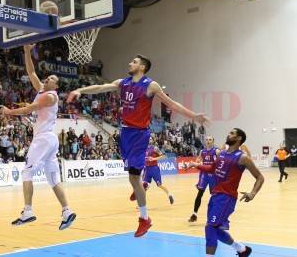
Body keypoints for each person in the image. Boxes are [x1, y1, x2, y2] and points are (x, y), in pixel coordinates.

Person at [68, 54, 209, 237]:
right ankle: (140, 192)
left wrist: (194, 116)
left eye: (134, 62)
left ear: (142, 67)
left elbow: (171, 104)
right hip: (125, 133)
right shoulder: (124, 82)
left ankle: (144, 218)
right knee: (132, 178)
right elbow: (102, 87)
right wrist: (81, 89)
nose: (130, 63)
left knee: (134, 178)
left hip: (139, 134)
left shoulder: (151, 85)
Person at [0, 44, 76, 230]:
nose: (47, 78)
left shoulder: (49, 96)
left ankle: (28, 211)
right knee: (52, 178)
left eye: (51, 78)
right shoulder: (43, 90)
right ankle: (67, 211)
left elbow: (27, 109)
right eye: (48, 76)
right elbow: (31, 72)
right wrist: (27, 52)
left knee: (27, 172)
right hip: (49, 139)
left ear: (55, 85)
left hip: (43, 138)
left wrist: (9, 111)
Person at [183, 128, 265, 257]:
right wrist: (195, 164)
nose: (228, 134)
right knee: (216, 231)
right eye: (229, 132)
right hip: (215, 196)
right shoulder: (221, 154)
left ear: (239, 138)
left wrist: (252, 193)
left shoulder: (243, 158)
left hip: (227, 198)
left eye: (232, 133)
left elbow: (260, 177)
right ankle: (243, 249)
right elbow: (212, 169)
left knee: (210, 228)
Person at [129, 137, 173, 204]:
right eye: (149, 139)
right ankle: (142, 203)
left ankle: (169, 194)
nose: (150, 140)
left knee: (159, 185)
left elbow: (164, 156)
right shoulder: (143, 149)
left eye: (151, 139)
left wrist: (153, 159)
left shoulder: (155, 148)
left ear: (153, 140)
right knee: (145, 187)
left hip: (154, 169)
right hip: (146, 169)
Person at [188, 136, 221, 223]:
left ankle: (213, 215)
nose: (208, 141)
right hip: (204, 174)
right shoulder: (202, 151)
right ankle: (194, 214)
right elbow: (198, 159)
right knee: (199, 193)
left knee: (214, 195)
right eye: (207, 140)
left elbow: (222, 161)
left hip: (213, 174)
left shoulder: (216, 151)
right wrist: (197, 161)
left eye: (210, 140)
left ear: (213, 142)